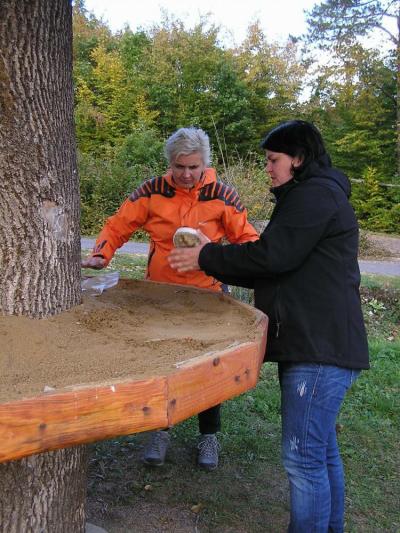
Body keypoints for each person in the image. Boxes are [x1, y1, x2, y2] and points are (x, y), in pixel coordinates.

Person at [168, 120, 369, 531]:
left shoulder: (314, 197)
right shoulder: (312, 195)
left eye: (273, 159)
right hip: (318, 344)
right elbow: (273, 262)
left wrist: (207, 257)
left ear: (298, 158)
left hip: (320, 349)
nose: (267, 168)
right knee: (320, 451)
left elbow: (272, 257)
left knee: (303, 457)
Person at [82, 126, 258, 470]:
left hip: (207, 296)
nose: (187, 174)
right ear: (170, 164)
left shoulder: (223, 195)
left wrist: (244, 266)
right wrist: (102, 255)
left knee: (210, 366)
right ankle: (160, 429)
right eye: (180, 167)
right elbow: (118, 225)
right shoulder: (152, 191)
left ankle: (209, 436)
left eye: (193, 167)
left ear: (205, 164)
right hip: (160, 295)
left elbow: (248, 240)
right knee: (163, 363)